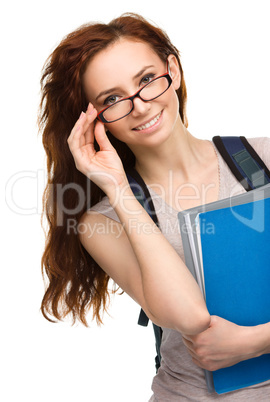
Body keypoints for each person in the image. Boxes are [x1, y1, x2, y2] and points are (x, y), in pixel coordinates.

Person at [39, 12, 270, 400]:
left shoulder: (262, 159)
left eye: (147, 80)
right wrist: (116, 187)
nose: (141, 106)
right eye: (112, 99)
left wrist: (257, 341)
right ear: (96, 122)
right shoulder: (101, 220)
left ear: (173, 71)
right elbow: (188, 317)